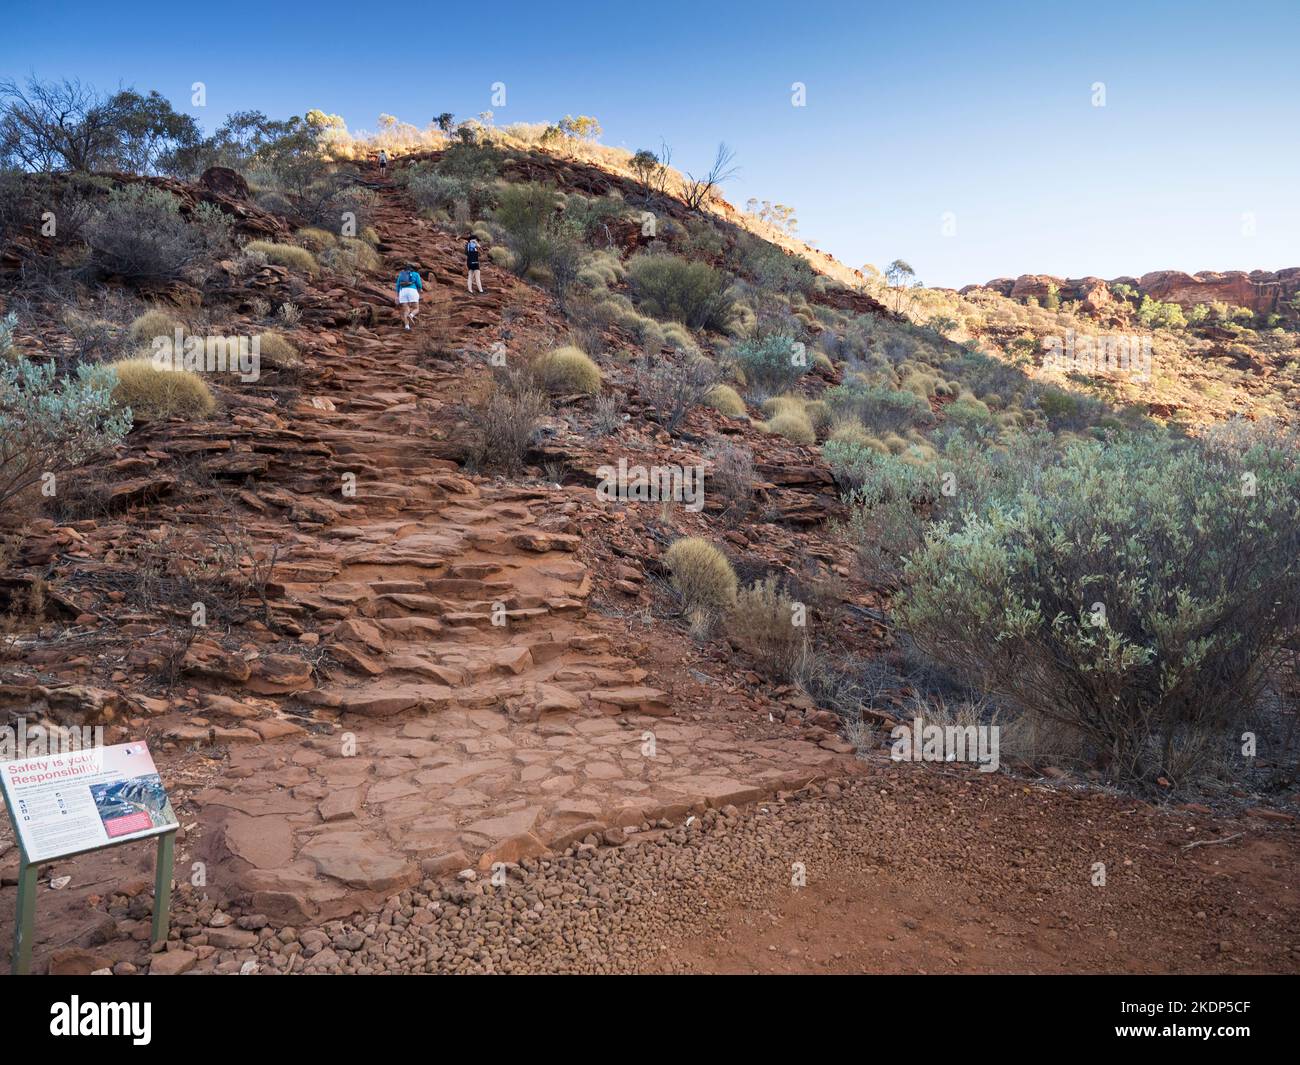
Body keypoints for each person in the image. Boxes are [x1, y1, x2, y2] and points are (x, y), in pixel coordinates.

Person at [395, 264, 423, 329]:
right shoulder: (415, 274)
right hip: (412, 291)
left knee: (406, 310)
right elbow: (419, 284)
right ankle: (411, 315)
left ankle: (407, 326)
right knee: (416, 308)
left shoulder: (401, 275)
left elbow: (397, 286)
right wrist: (420, 289)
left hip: (402, 292)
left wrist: (397, 296)